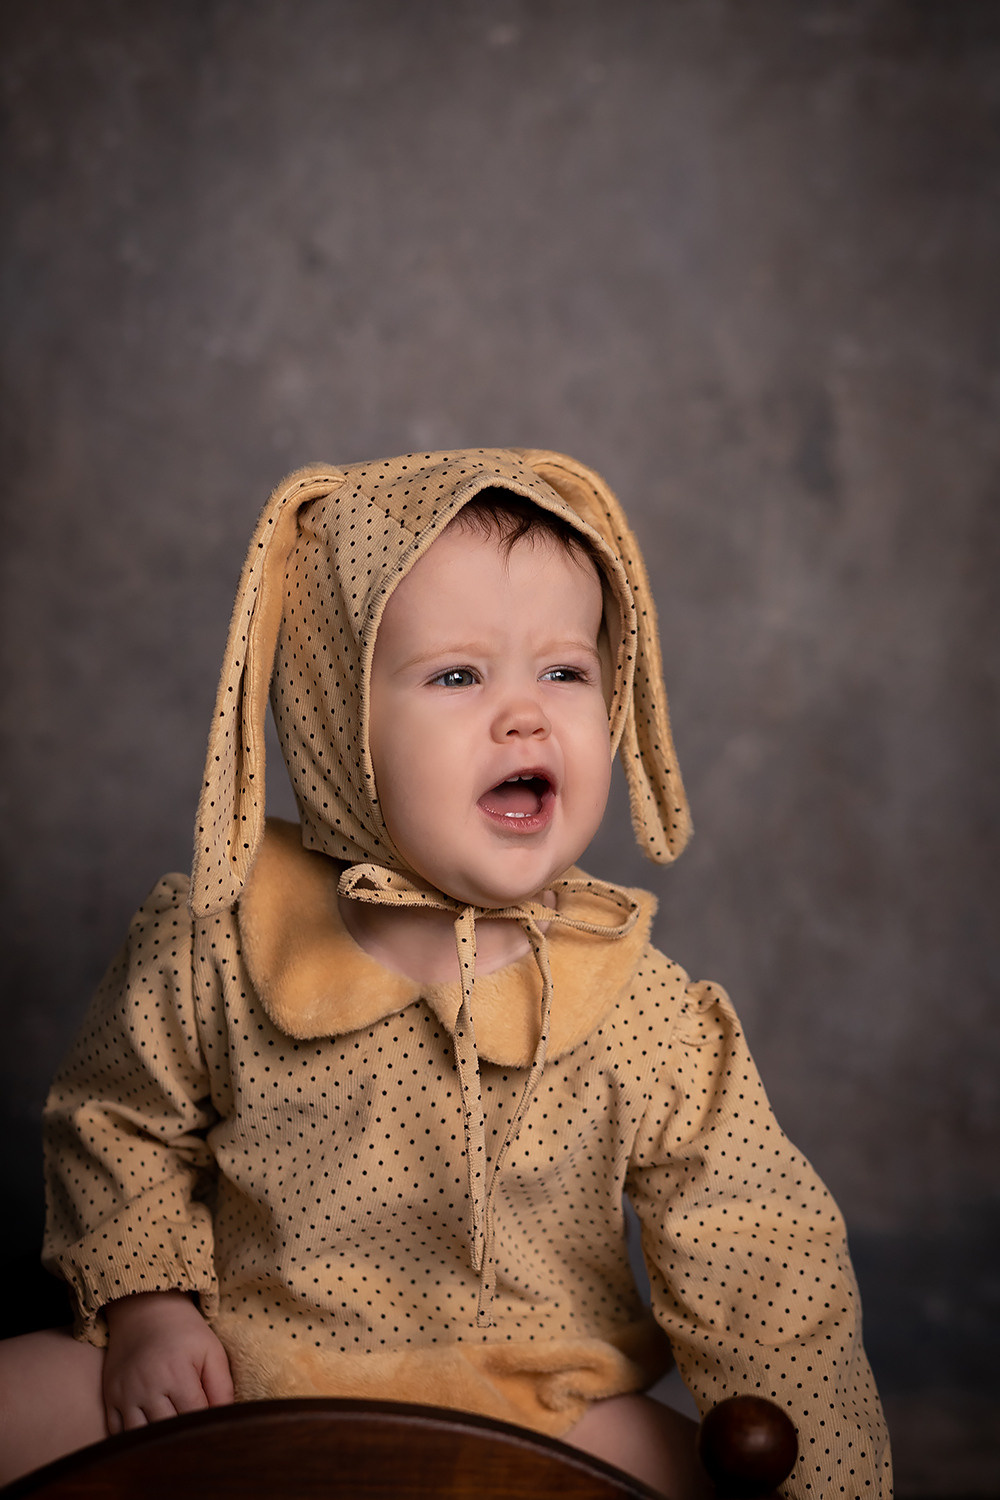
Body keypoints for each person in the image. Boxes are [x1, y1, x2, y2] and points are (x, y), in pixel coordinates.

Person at [0, 450, 891, 1497]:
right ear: (337, 723)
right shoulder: (217, 949)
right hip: (249, 1382)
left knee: (710, 1471)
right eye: (458, 675)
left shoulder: (645, 1017)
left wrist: (828, 1480)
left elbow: (763, 1259)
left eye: (565, 671)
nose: (526, 715)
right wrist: (152, 1311)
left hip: (536, 1413)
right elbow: (114, 1123)